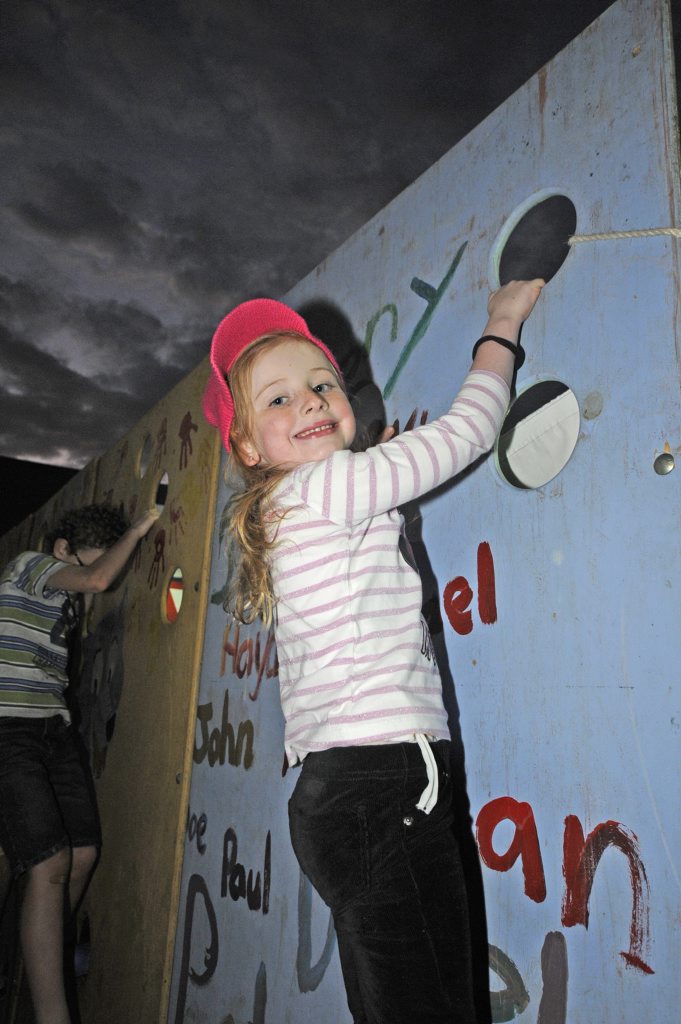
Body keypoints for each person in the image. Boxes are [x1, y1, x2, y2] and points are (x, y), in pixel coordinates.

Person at [202, 280, 544, 1024]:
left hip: (340, 795)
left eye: (321, 384)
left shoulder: (288, 506)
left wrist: (371, 474)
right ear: (250, 447)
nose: (312, 401)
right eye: (280, 400)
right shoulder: (331, 485)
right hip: (385, 780)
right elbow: (467, 432)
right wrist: (501, 326)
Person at [0, 503, 158, 1024]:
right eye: (78, 562)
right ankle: (53, 1015)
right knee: (49, 862)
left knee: (83, 853)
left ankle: (41, 960)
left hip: (51, 727)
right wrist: (137, 527)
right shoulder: (31, 564)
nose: (80, 582)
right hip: (7, 727)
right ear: (62, 548)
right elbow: (97, 576)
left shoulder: (60, 599)